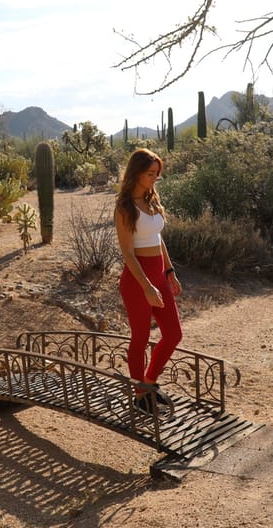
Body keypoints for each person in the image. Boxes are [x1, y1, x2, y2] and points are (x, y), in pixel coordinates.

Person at [114, 148, 182, 413]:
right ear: (136, 173)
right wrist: (147, 286)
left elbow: (157, 238)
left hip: (158, 275)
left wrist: (169, 271)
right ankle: (141, 395)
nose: (155, 179)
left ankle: (149, 382)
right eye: (150, 174)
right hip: (136, 280)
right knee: (140, 338)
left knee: (174, 334)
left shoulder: (152, 200)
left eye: (157, 174)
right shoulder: (125, 207)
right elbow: (128, 253)